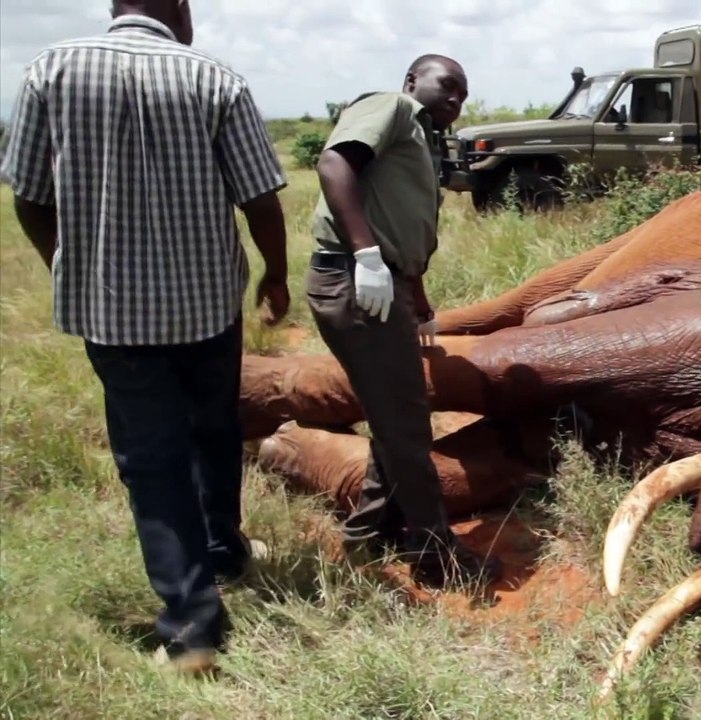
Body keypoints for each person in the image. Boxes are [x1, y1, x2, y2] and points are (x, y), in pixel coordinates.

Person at [0, 0, 290, 673]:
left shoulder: (51, 70)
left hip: (114, 315)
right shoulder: (214, 78)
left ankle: (193, 625)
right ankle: (222, 551)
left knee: (153, 458)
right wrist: (275, 275)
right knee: (214, 427)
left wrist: (66, 265)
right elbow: (259, 197)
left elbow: (29, 196)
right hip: (208, 305)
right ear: (180, 7)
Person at [306, 54, 501, 587]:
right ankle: (435, 555)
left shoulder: (424, 137)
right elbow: (334, 164)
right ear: (413, 80)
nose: (457, 98)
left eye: (464, 93)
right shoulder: (391, 106)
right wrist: (366, 255)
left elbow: (400, 220)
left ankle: (371, 530)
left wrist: (416, 297)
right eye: (449, 85)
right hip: (355, 278)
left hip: (385, 282)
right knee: (406, 422)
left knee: (394, 414)